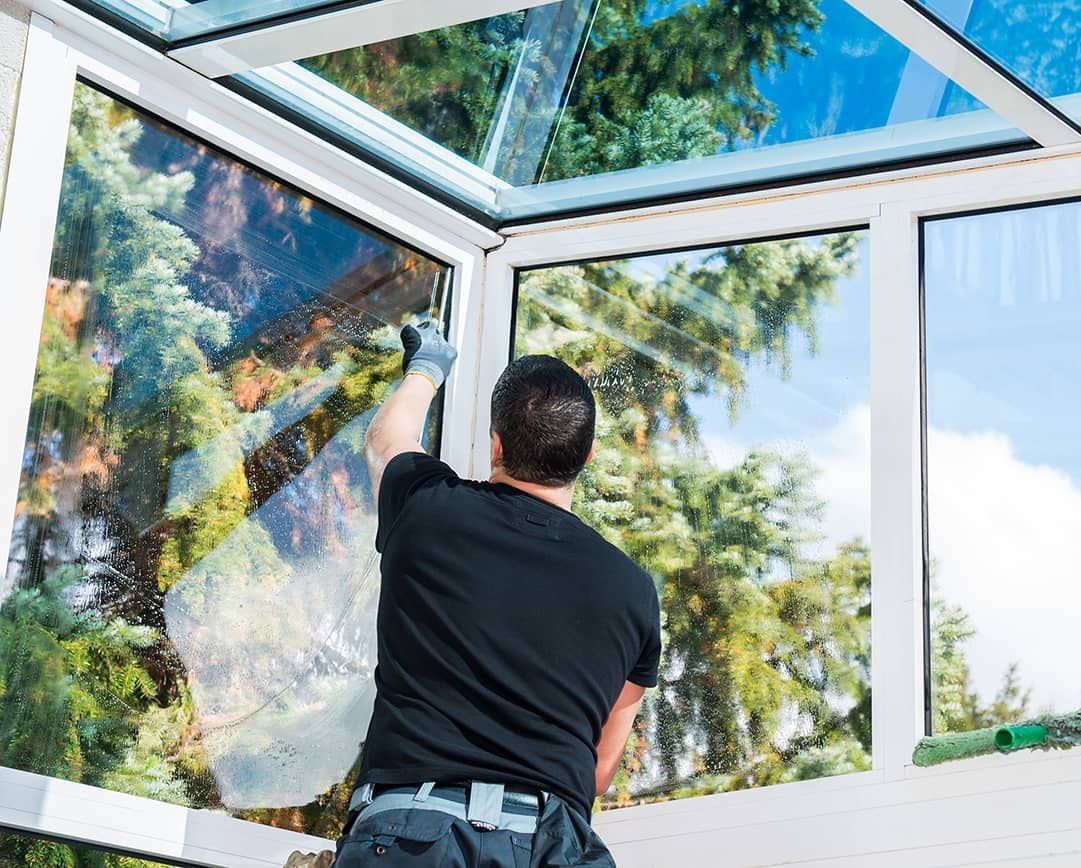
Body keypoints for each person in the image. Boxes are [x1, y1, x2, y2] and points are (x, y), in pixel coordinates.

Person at [333, 321, 662, 868]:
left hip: (415, 833)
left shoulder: (429, 510)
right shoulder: (632, 590)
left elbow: (386, 441)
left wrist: (427, 367)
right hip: (552, 846)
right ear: (588, 455)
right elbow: (601, 771)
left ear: (497, 444)